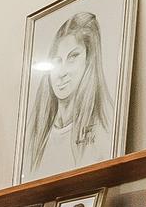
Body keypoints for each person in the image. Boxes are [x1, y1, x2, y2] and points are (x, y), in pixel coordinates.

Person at [20, 10, 120, 181]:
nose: (62, 72)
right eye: (57, 60)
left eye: (73, 57)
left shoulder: (105, 130)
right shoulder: (35, 132)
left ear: (89, 61)